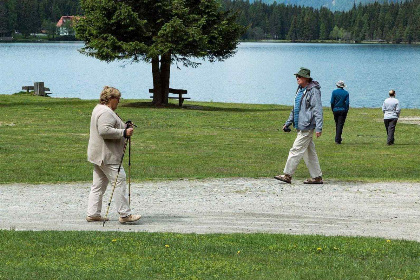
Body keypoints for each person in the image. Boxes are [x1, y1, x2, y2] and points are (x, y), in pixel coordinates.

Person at [86, 86, 141, 223]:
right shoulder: (106, 112)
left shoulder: (99, 108)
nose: (119, 102)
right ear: (111, 99)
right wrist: (123, 132)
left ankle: (93, 214)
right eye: (118, 99)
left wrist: (124, 125)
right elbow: (104, 131)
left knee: (98, 185)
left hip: (98, 154)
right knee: (119, 181)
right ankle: (125, 214)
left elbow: (110, 126)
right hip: (107, 155)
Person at [274, 67, 323, 184]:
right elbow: (295, 109)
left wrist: (319, 127)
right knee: (308, 152)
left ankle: (287, 175)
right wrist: (288, 122)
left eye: (299, 76)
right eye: (297, 76)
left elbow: (318, 110)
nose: (297, 78)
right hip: (300, 125)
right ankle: (317, 177)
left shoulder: (313, 91)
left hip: (307, 126)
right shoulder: (300, 90)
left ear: (306, 78)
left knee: (296, 150)